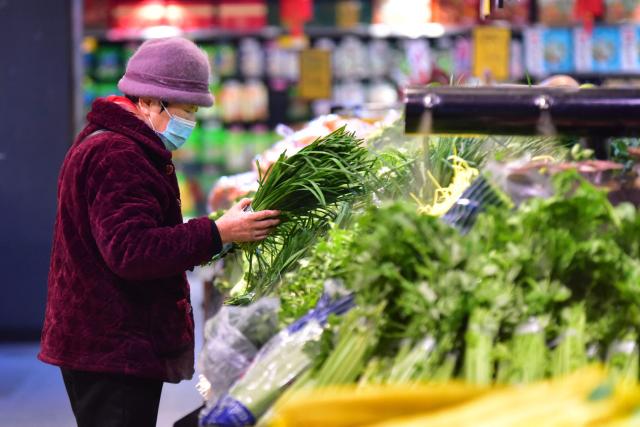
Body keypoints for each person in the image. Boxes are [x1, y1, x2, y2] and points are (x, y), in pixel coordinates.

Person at [38, 37, 280, 427]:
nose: (191, 122)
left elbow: (134, 235)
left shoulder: (112, 142)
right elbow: (132, 251)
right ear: (150, 101)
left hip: (107, 342)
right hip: (111, 347)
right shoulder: (118, 154)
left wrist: (219, 235)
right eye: (185, 110)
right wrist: (216, 233)